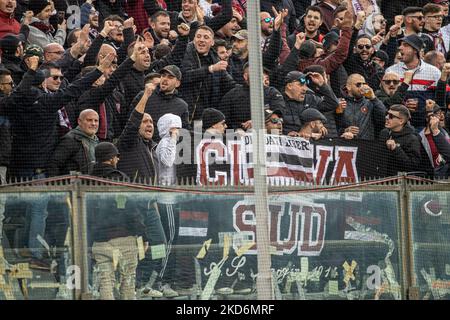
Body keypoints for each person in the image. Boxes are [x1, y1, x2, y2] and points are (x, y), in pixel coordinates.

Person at [90, 142, 147, 300]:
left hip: (98, 240)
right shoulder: (119, 178)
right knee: (128, 281)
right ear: (111, 158)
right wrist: (143, 235)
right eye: (116, 156)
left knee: (106, 281)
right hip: (123, 239)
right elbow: (131, 210)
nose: (118, 159)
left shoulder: (87, 179)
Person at [180, 25, 235, 123]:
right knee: (191, 138)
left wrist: (248, 86)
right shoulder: (185, 52)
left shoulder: (215, 59)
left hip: (207, 116)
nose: (201, 40)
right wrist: (210, 69)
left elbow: (230, 85)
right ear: (194, 39)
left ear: (212, 42)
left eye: (206, 37)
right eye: (198, 36)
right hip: (188, 114)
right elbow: (185, 77)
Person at [281, 70, 338, 136]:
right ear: (289, 86)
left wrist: (322, 84)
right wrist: (285, 135)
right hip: (284, 143)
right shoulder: (278, 100)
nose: (305, 89)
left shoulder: (310, 99)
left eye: (305, 85)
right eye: (301, 85)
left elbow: (333, 104)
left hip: (309, 142)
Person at [48, 109, 99, 177]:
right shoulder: (70, 140)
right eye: (89, 120)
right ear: (79, 121)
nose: (93, 123)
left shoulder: (97, 141)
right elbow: (54, 164)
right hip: (73, 185)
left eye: (96, 121)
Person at [339, 73, 386, 140]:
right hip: (346, 144)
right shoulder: (341, 103)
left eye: (364, 84)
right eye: (358, 85)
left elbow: (383, 118)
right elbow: (334, 126)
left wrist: (374, 98)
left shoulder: (370, 102)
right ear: (348, 87)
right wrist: (345, 130)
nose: (362, 87)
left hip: (366, 145)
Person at [379, 104, 422, 176]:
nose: (386, 117)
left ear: (401, 121)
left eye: (391, 116)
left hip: (402, 181)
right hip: (382, 177)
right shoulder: (384, 133)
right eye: (387, 114)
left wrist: (396, 148)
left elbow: (413, 166)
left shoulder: (412, 139)